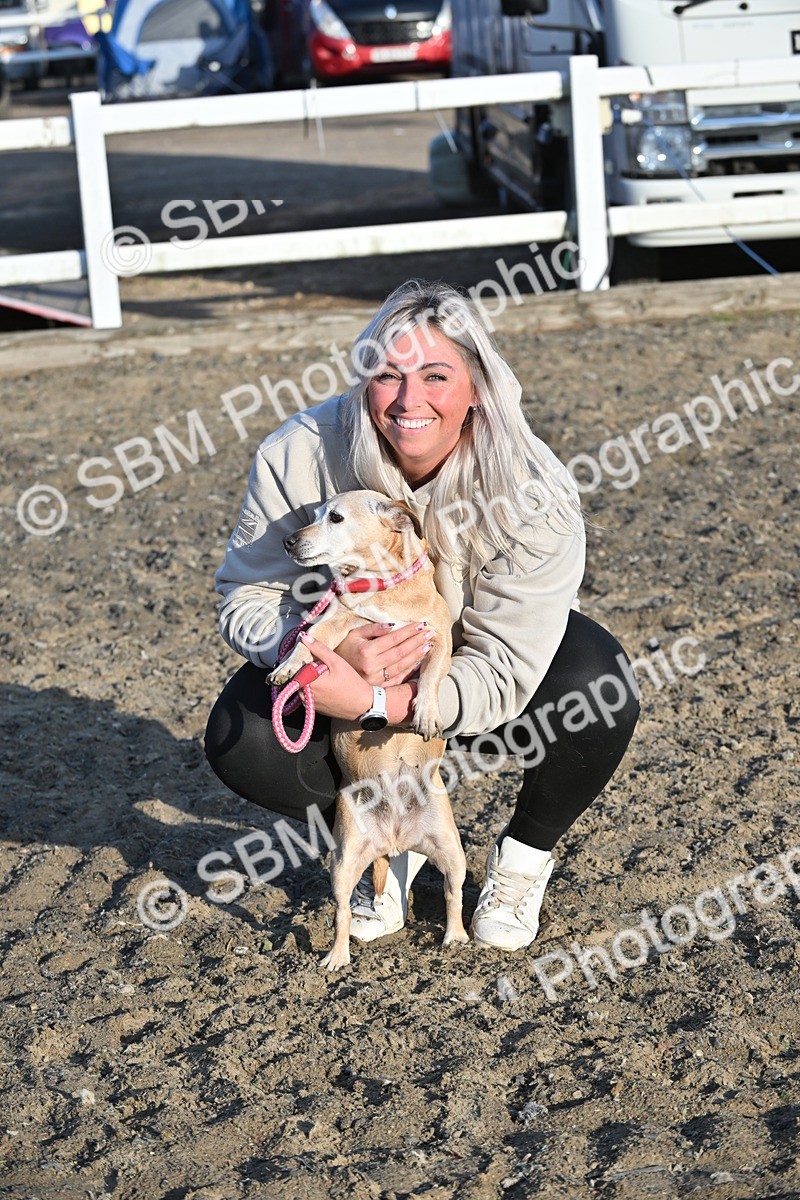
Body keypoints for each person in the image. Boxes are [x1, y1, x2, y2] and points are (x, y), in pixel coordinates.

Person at [205, 279, 639, 952]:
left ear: (478, 384)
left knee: (596, 677)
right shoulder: (296, 455)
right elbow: (245, 595)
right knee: (244, 736)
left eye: (436, 375)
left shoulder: (534, 489)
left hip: (478, 697)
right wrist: (315, 651)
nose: (410, 401)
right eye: (387, 375)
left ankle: (522, 860)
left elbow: (507, 665)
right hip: (346, 688)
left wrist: (382, 698)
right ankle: (386, 849)